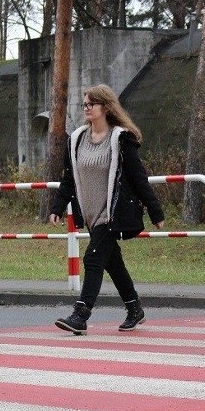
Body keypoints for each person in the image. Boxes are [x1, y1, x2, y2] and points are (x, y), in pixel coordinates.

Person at [49, 84, 165, 335]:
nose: (87, 108)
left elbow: (138, 178)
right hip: (91, 215)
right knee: (113, 263)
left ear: (106, 107)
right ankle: (135, 308)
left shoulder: (121, 139)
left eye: (92, 104)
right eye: (85, 104)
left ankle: (81, 315)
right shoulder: (76, 140)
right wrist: (57, 207)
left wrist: (155, 211)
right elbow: (69, 178)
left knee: (92, 258)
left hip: (113, 214)